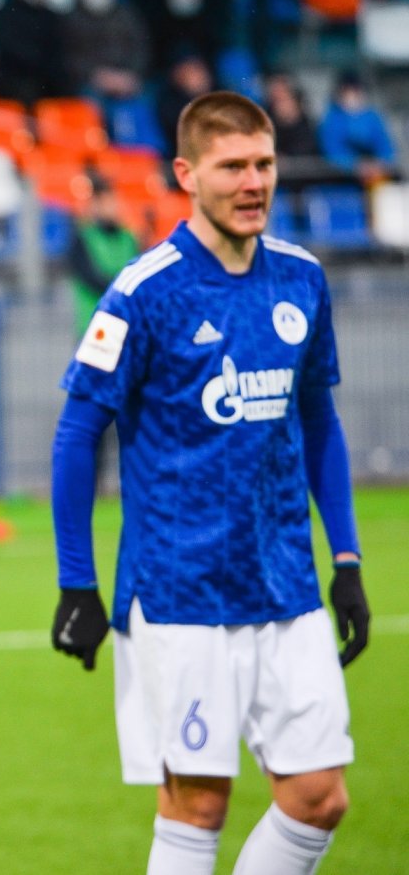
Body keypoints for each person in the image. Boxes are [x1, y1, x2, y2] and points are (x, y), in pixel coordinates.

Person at [50, 91, 370, 875]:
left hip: (287, 583)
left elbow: (320, 424)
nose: (254, 182)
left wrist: (348, 560)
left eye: (264, 163)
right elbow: (76, 434)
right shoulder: (143, 291)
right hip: (179, 592)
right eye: (233, 166)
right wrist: (77, 583)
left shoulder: (301, 278)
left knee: (320, 796)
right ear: (187, 174)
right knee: (198, 805)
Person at [66, 176, 140, 340]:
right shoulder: (82, 238)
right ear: (94, 204)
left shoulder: (129, 238)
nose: (110, 207)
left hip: (125, 325)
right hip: (93, 326)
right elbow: (92, 278)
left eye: (112, 201)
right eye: (104, 202)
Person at [318, 71, 399, 186]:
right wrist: (355, 165)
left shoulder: (373, 117)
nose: (351, 97)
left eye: (355, 92)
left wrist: (379, 164)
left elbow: (386, 146)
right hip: (345, 178)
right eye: (347, 93)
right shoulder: (331, 119)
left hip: (376, 175)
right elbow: (332, 151)